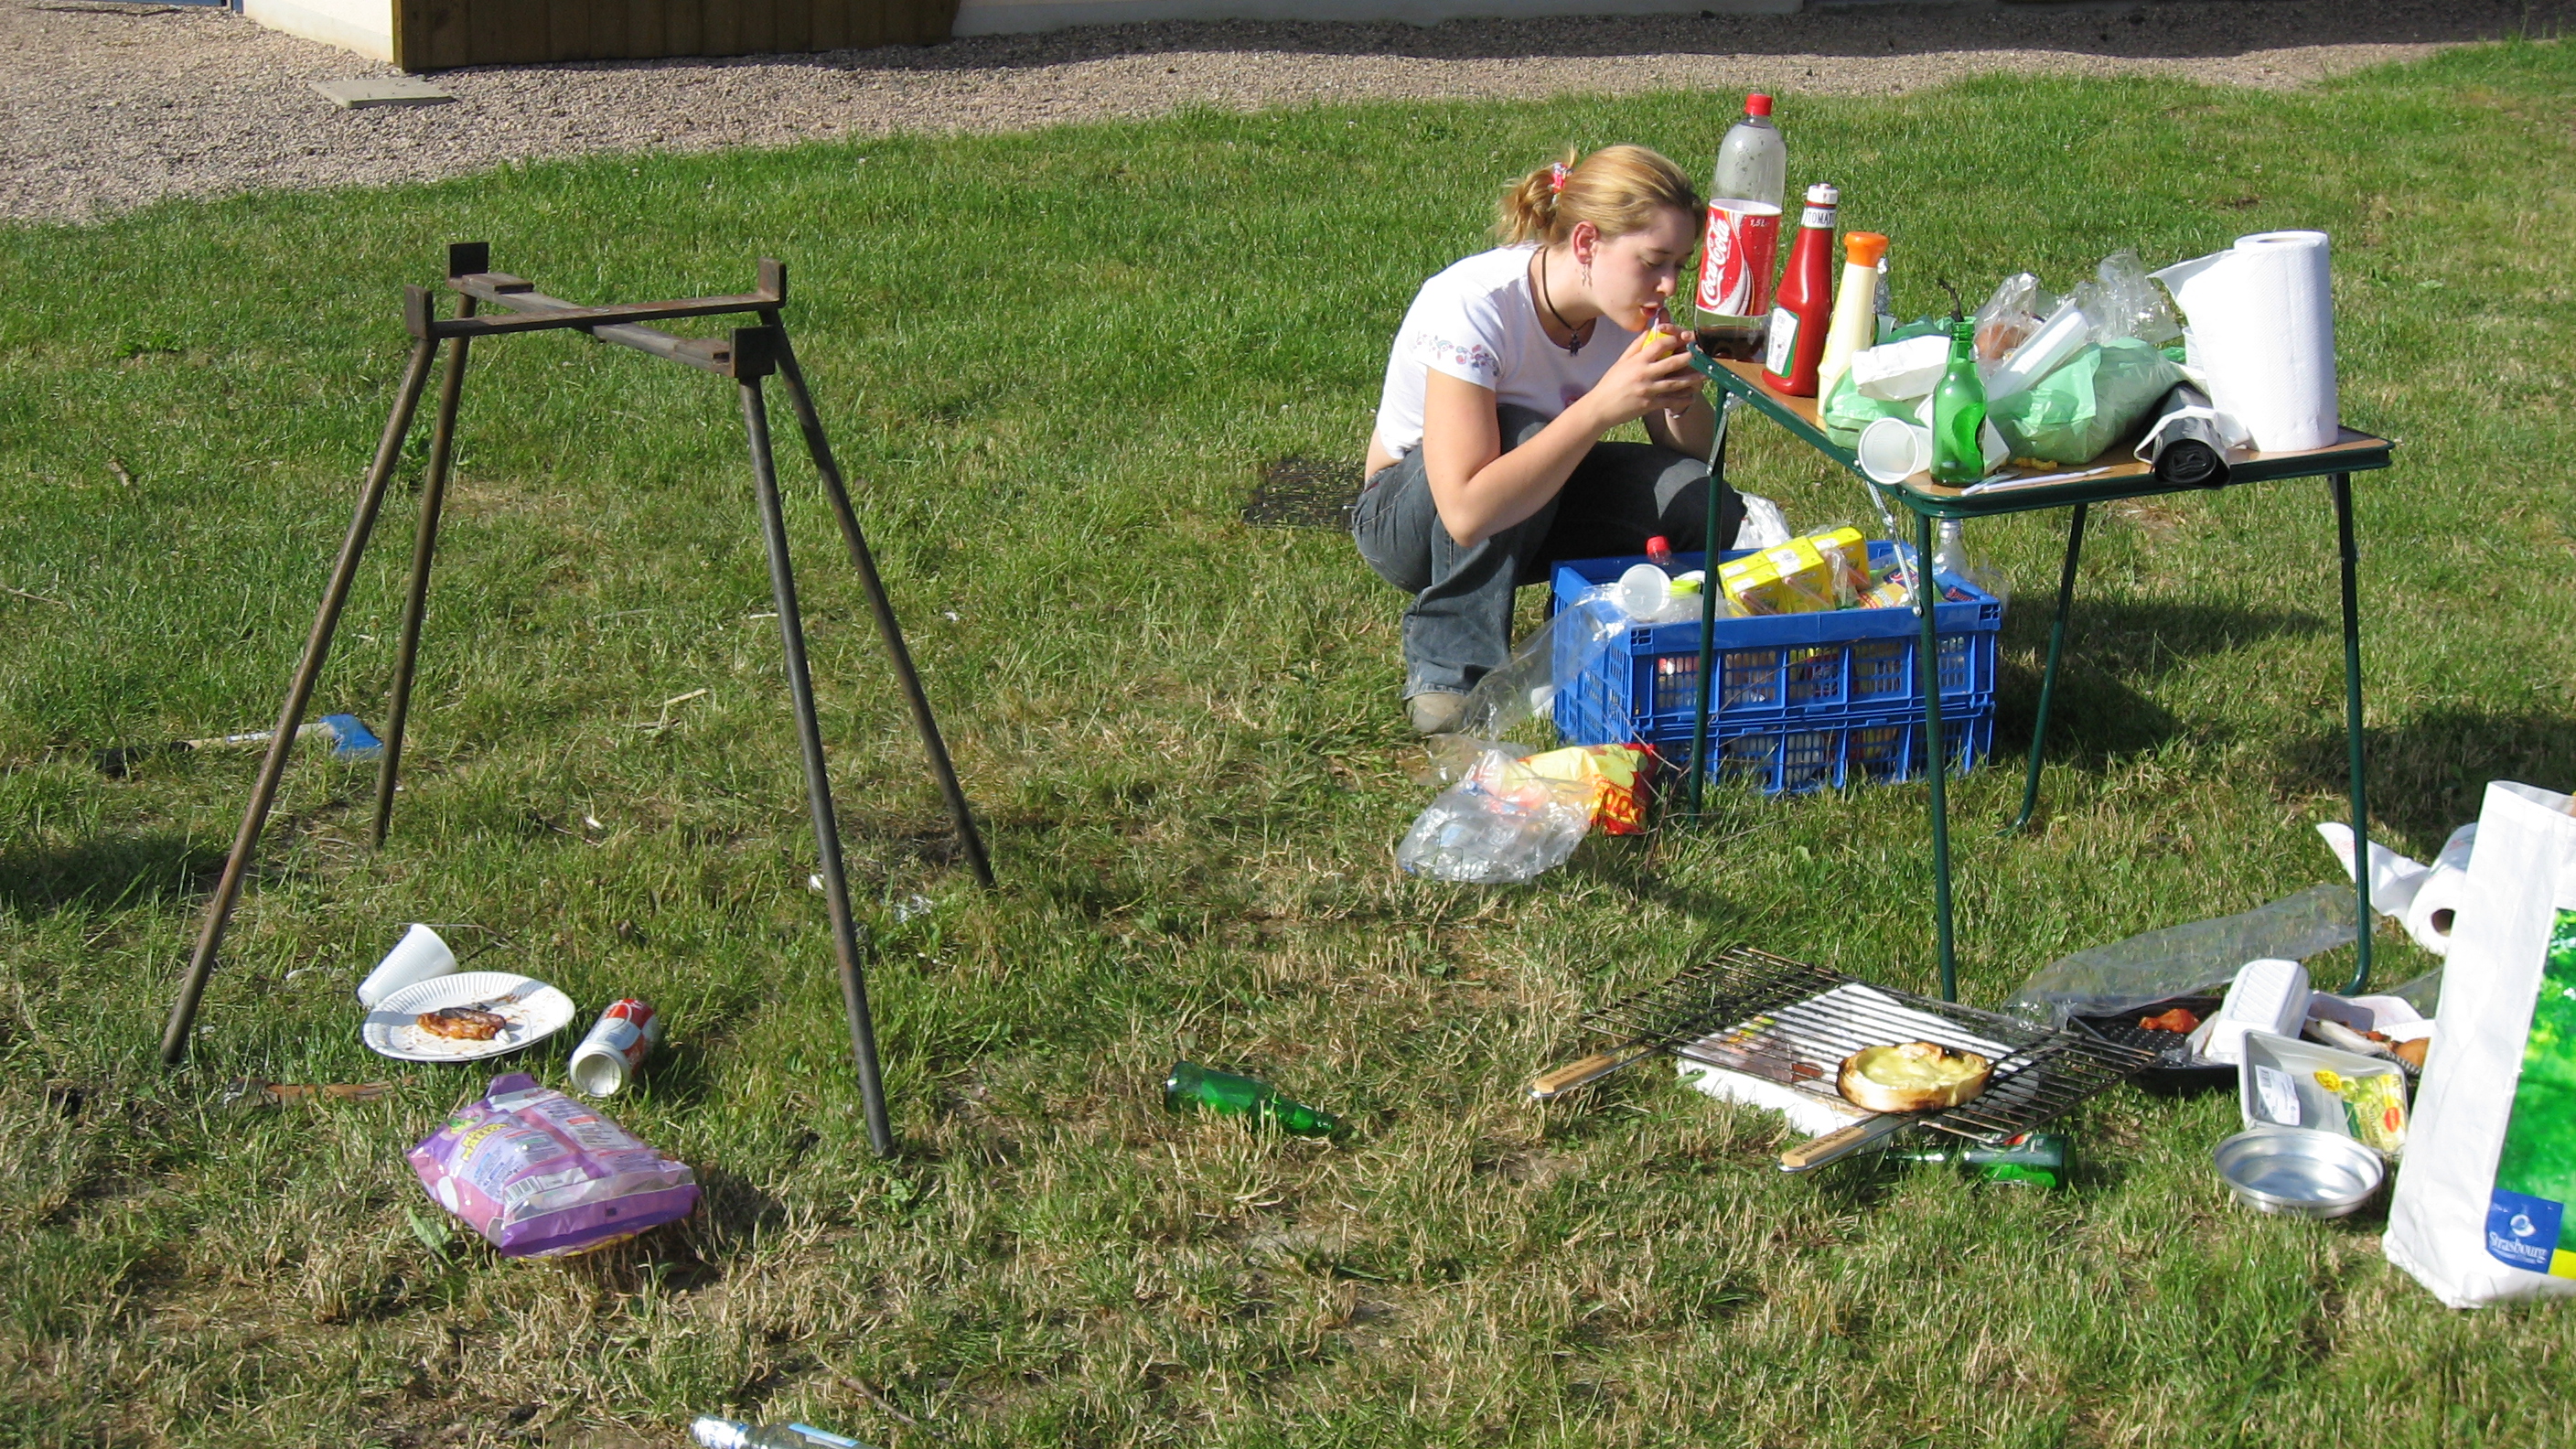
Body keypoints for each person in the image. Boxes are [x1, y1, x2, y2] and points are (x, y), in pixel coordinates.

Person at [1354, 145, 1744, 736]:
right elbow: (1464, 512)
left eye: (1679, 267)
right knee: (1520, 431)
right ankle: (1449, 670)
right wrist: (1601, 407)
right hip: (1411, 521)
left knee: (1701, 500)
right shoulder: (1474, 305)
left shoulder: (1626, 310)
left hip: (1534, 503)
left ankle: (1604, 641)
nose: (1667, 285)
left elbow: (1695, 461)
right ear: (1586, 243)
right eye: (1653, 262)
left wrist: (1677, 394)